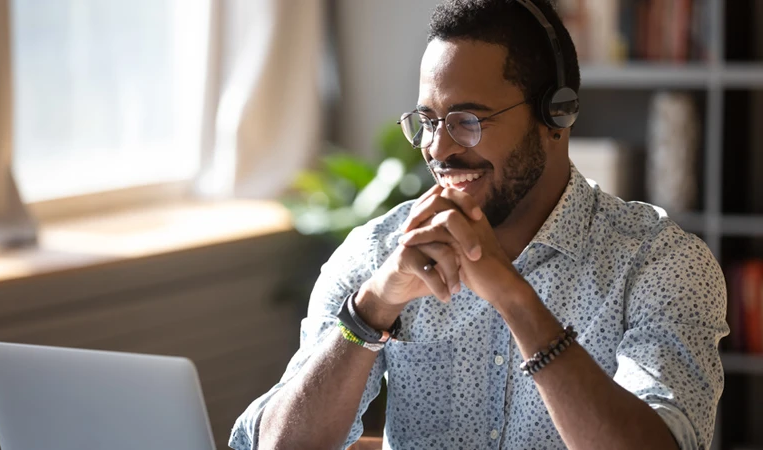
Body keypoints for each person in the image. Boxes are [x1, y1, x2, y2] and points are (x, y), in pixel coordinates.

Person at [230, 0, 728, 449]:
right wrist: (372, 309)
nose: (439, 150)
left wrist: (514, 298)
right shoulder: (377, 252)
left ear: (557, 114)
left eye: (467, 120)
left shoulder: (661, 264)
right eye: (427, 121)